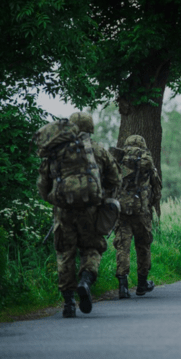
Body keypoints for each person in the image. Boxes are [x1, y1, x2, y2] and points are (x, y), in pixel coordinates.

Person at [36, 112, 120, 317]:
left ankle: (68, 303)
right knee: (91, 248)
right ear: (91, 128)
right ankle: (85, 280)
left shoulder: (57, 151)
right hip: (91, 210)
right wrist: (102, 197)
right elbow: (115, 178)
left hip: (63, 211)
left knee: (65, 252)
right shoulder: (98, 150)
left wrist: (56, 201)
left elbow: (43, 185)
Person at [112, 134, 162, 299]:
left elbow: (109, 182)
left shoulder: (119, 160)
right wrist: (150, 203)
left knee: (122, 247)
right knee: (143, 246)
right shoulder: (146, 161)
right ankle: (142, 284)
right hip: (141, 211)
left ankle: (123, 287)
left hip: (122, 211)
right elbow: (157, 186)